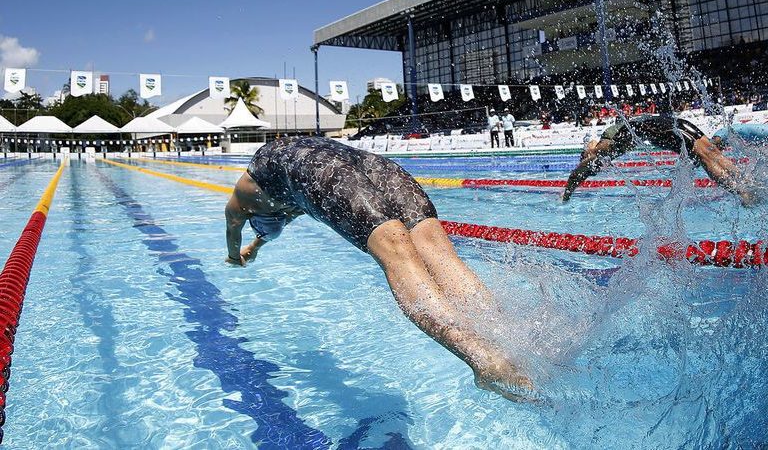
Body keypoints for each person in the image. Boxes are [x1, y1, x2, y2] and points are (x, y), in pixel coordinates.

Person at [225, 136, 533, 401]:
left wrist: (234, 255)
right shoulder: (283, 185)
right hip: (371, 164)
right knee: (438, 251)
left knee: (397, 254)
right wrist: (256, 247)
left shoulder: (241, 200)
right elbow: (302, 202)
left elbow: (232, 228)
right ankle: (512, 341)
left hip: (323, 171)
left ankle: (485, 359)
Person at [561, 114, 756, 204]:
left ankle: (743, 192)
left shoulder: (604, 146)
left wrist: (566, 195)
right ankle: (749, 184)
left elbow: (579, 172)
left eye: (586, 154)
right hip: (674, 123)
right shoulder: (616, 135)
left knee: (706, 158)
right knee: (712, 153)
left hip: (665, 128)